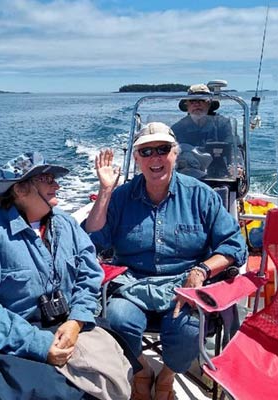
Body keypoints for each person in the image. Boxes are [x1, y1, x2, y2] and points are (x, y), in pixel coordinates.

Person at [83, 122, 247, 400]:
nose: (155, 157)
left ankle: (167, 376)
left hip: (184, 283)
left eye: (163, 149)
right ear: (136, 159)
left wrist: (202, 270)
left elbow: (234, 245)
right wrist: (106, 191)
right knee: (117, 319)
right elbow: (93, 241)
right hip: (132, 283)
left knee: (188, 331)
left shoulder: (200, 195)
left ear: (175, 154)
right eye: (146, 152)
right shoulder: (121, 196)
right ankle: (142, 371)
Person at [0, 151, 133, 400]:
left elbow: (90, 274)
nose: (57, 185)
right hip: (15, 338)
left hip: (70, 323)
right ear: (20, 190)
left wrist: (77, 320)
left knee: (117, 372)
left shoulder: (66, 224)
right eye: (47, 179)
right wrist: (38, 344)